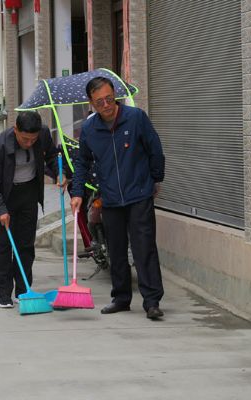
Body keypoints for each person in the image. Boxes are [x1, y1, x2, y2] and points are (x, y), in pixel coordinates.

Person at [69, 76, 165, 320]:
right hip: (110, 198)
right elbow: (82, 163)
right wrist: (78, 192)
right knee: (117, 250)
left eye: (109, 99)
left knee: (144, 249)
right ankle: (121, 298)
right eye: (99, 101)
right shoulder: (90, 129)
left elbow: (155, 149)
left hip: (139, 194)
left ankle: (152, 301)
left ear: (115, 96)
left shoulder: (135, 118)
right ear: (91, 103)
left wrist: (155, 178)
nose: (106, 105)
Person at [0, 111, 61, 308]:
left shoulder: (42, 134)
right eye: (25, 139)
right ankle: (4, 294)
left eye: (33, 139)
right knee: (4, 246)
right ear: (16, 130)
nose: (29, 143)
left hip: (28, 193)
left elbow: (52, 156)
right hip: (4, 195)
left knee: (25, 245)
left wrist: (59, 173)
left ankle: (23, 290)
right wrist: (0, 209)